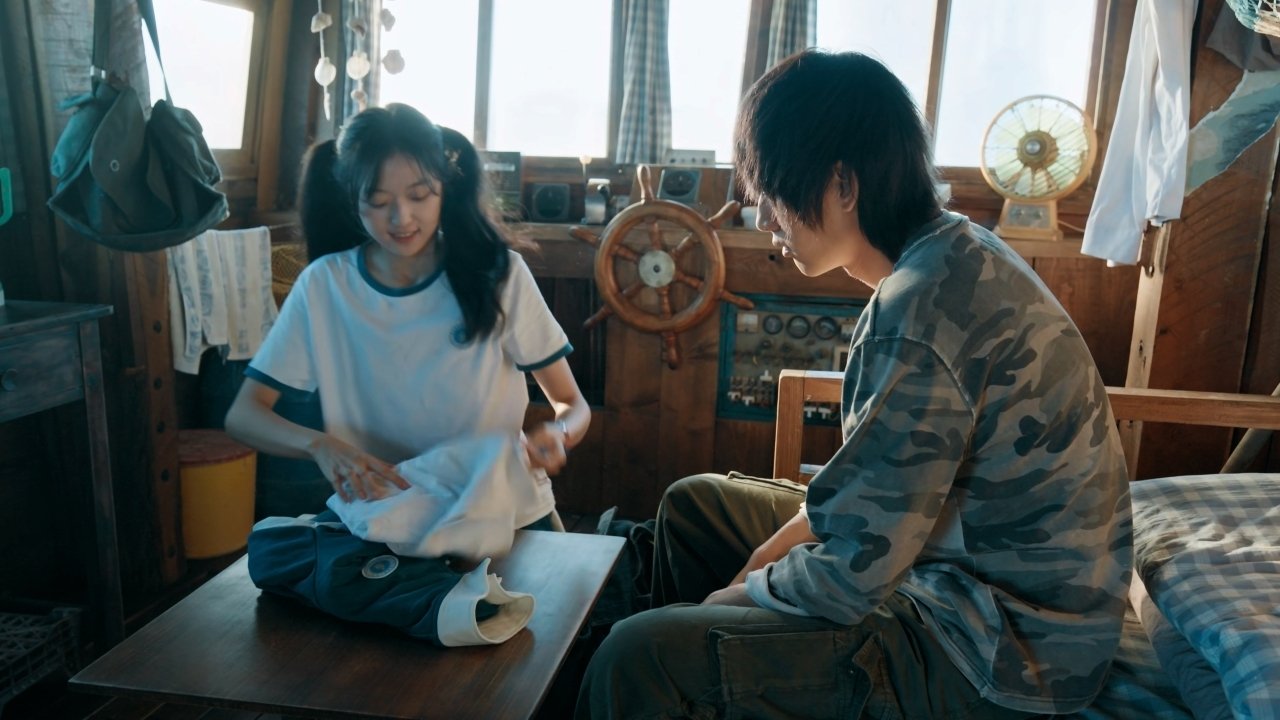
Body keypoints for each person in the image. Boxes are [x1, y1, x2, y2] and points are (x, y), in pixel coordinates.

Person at [575, 50, 1132, 719]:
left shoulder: (919, 312)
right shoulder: (951, 252)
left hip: (997, 648)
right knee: (695, 508)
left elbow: (851, 577)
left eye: (774, 194)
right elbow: (865, 494)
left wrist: (729, 599)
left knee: (637, 655)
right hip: (950, 569)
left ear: (842, 184)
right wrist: (754, 568)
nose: (765, 219)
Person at [226, 103, 589, 531]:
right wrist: (319, 446)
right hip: (388, 515)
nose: (401, 218)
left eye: (419, 196)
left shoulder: (497, 274)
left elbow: (572, 404)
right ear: (352, 199)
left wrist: (558, 433)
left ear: (444, 187)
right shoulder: (324, 285)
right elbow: (245, 415)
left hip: (503, 509)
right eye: (379, 202)